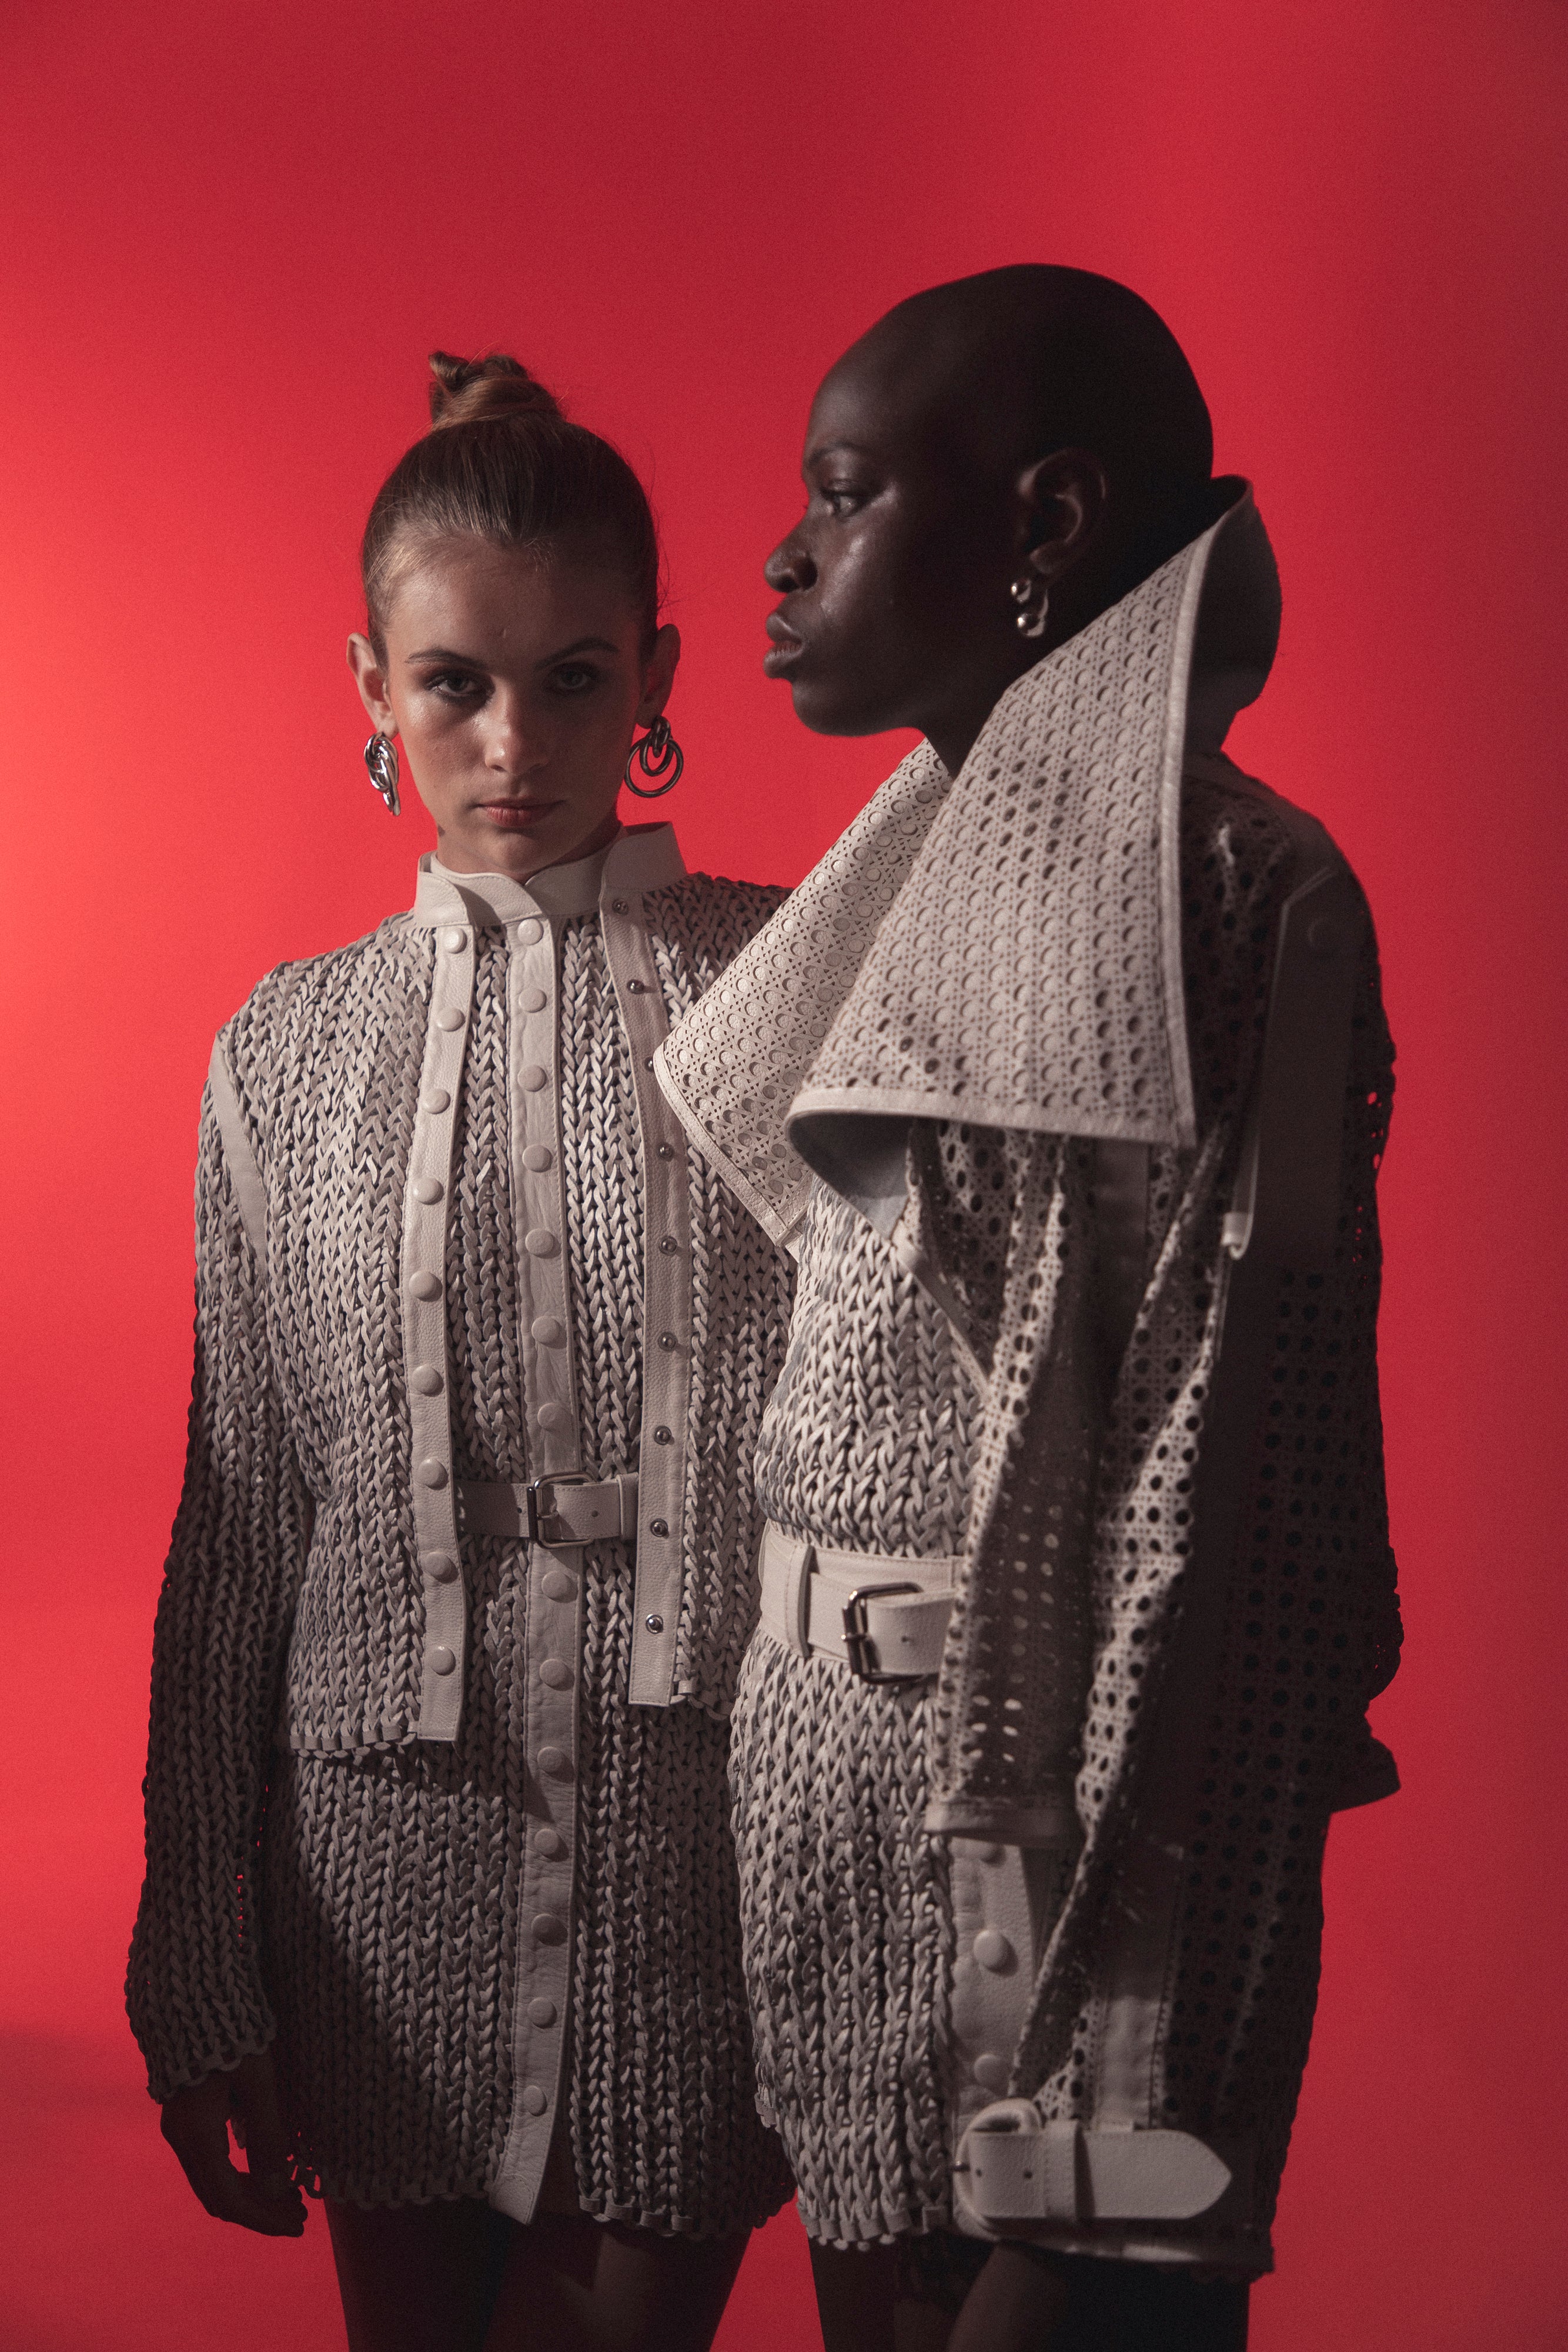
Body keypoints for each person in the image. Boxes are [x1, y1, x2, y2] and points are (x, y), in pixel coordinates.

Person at [655, 266, 1402, 2349]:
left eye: (846, 495)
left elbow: (1219, 1531)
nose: (783, 557)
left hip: (1052, 1847)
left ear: (1043, 526)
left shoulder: (1235, 895)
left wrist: (1116, 2085)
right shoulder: (910, 872)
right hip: (825, 1800)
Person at [126, 350, 797, 2352]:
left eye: (573, 677)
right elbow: (240, 1527)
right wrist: (196, 1957)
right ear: (372, 687)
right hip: (375, 1854)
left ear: (655, 672)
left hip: (703, 1848)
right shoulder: (280, 1049)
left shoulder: (795, 991)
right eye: (453, 684)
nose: (514, 742)